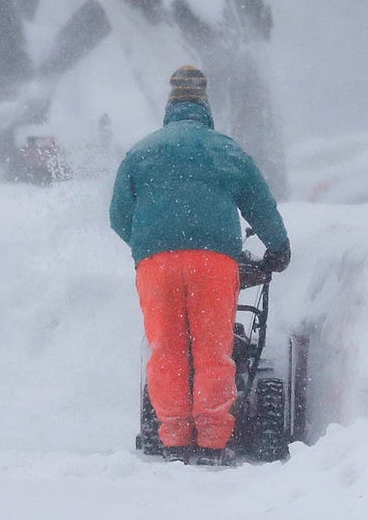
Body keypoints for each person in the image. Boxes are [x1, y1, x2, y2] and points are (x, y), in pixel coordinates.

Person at [109, 65, 290, 465]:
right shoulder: (224, 149)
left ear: (169, 107)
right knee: (213, 350)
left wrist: (148, 245)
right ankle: (211, 442)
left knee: (167, 350)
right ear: (205, 106)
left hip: (156, 265)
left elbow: (119, 216)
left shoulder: (140, 152)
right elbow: (260, 204)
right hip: (214, 262)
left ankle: (173, 439)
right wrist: (278, 247)